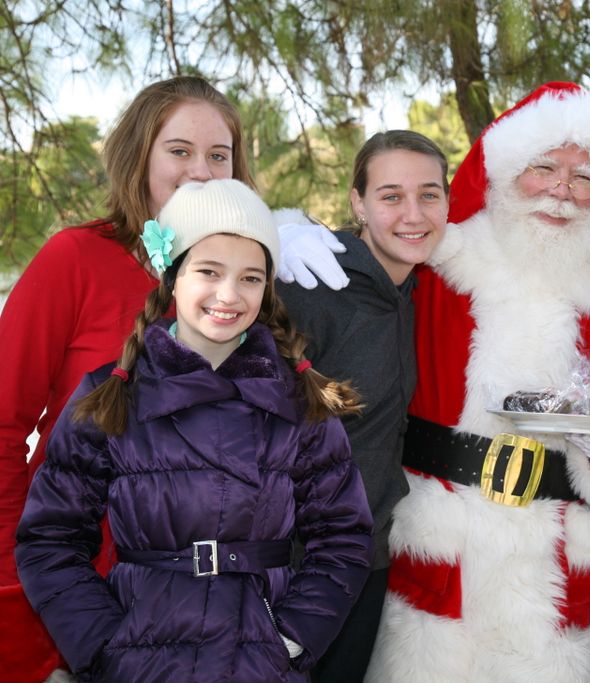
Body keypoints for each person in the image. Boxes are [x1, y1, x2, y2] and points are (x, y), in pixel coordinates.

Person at [15, 179, 373, 682]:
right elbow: (48, 539)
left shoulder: (301, 403)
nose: (229, 295)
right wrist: (101, 643)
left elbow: (344, 536)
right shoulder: (111, 396)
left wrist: (291, 639)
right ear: (173, 277)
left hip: (260, 663)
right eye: (209, 271)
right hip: (140, 664)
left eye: (251, 278)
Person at [361, 82, 590, 682]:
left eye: (583, 176)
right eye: (543, 167)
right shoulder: (444, 253)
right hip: (447, 547)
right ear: (505, 168)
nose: (561, 190)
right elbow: (364, 254)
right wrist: (296, 238)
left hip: (553, 555)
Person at [0, 75, 253, 682]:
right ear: (139, 156)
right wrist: (19, 581)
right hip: (76, 590)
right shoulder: (76, 259)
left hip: (208, 608)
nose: (201, 170)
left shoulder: (248, 284)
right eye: (179, 150)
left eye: (219, 155)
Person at [276, 129, 450, 682]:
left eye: (430, 194)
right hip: (296, 567)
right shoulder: (313, 287)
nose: (413, 213)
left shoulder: (415, 293)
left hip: (368, 560)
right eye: (391, 195)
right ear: (358, 202)